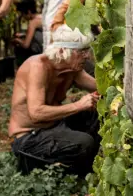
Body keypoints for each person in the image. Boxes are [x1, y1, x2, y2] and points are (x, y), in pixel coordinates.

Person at [8, 25, 99, 177]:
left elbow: (99, 86)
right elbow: (36, 113)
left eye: (87, 50)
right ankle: (73, 176)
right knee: (85, 142)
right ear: (63, 51)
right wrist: (78, 105)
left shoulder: (72, 68)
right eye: (82, 51)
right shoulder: (38, 67)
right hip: (29, 136)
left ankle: (86, 170)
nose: (87, 56)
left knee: (94, 114)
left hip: (55, 125)